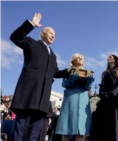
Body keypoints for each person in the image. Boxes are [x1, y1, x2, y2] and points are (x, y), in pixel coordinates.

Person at [9, 13, 70, 141]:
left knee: (35, 132)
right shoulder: (32, 43)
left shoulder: (53, 55)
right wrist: (31, 24)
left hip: (42, 97)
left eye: (55, 34)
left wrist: (68, 71)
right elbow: (15, 37)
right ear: (42, 33)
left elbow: (55, 73)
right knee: (19, 128)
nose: (54, 35)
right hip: (28, 92)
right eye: (51, 33)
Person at [55, 53, 94, 141]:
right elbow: (64, 84)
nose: (80, 59)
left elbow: (88, 88)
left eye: (82, 58)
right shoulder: (67, 70)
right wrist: (71, 81)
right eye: (78, 57)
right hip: (70, 99)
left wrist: (89, 83)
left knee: (81, 129)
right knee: (66, 128)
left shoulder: (86, 72)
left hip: (83, 100)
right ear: (73, 60)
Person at [91, 54, 118, 141]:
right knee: (103, 123)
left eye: (110, 57)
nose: (108, 58)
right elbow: (101, 86)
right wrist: (101, 94)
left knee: (116, 122)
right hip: (104, 100)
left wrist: (112, 93)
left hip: (115, 98)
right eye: (108, 57)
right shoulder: (105, 72)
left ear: (115, 59)